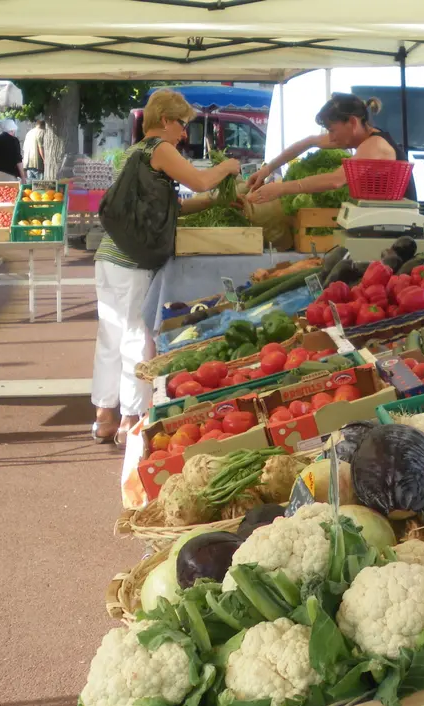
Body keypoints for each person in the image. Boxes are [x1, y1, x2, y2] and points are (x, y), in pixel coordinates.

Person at [91, 90, 239, 445]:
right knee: (135, 336)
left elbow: (173, 207)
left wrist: (215, 201)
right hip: (133, 262)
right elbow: (201, 181)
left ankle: (103, 416)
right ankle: (130, 419)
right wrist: (229, 168)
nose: (185, 133)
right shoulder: (160, 148)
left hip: (108, 257)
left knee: (110, 336)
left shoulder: (133, 154)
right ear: (165, 121)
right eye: (183, 124)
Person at [245, 93, 416, 205]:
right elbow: (308, 142)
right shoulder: (355, 138)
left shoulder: (375, 145)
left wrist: (281, 188)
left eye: (332, 129)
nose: (331, 137)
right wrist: (268, 169)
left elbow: (336, 180)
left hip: (400, 227)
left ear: (353, 122)